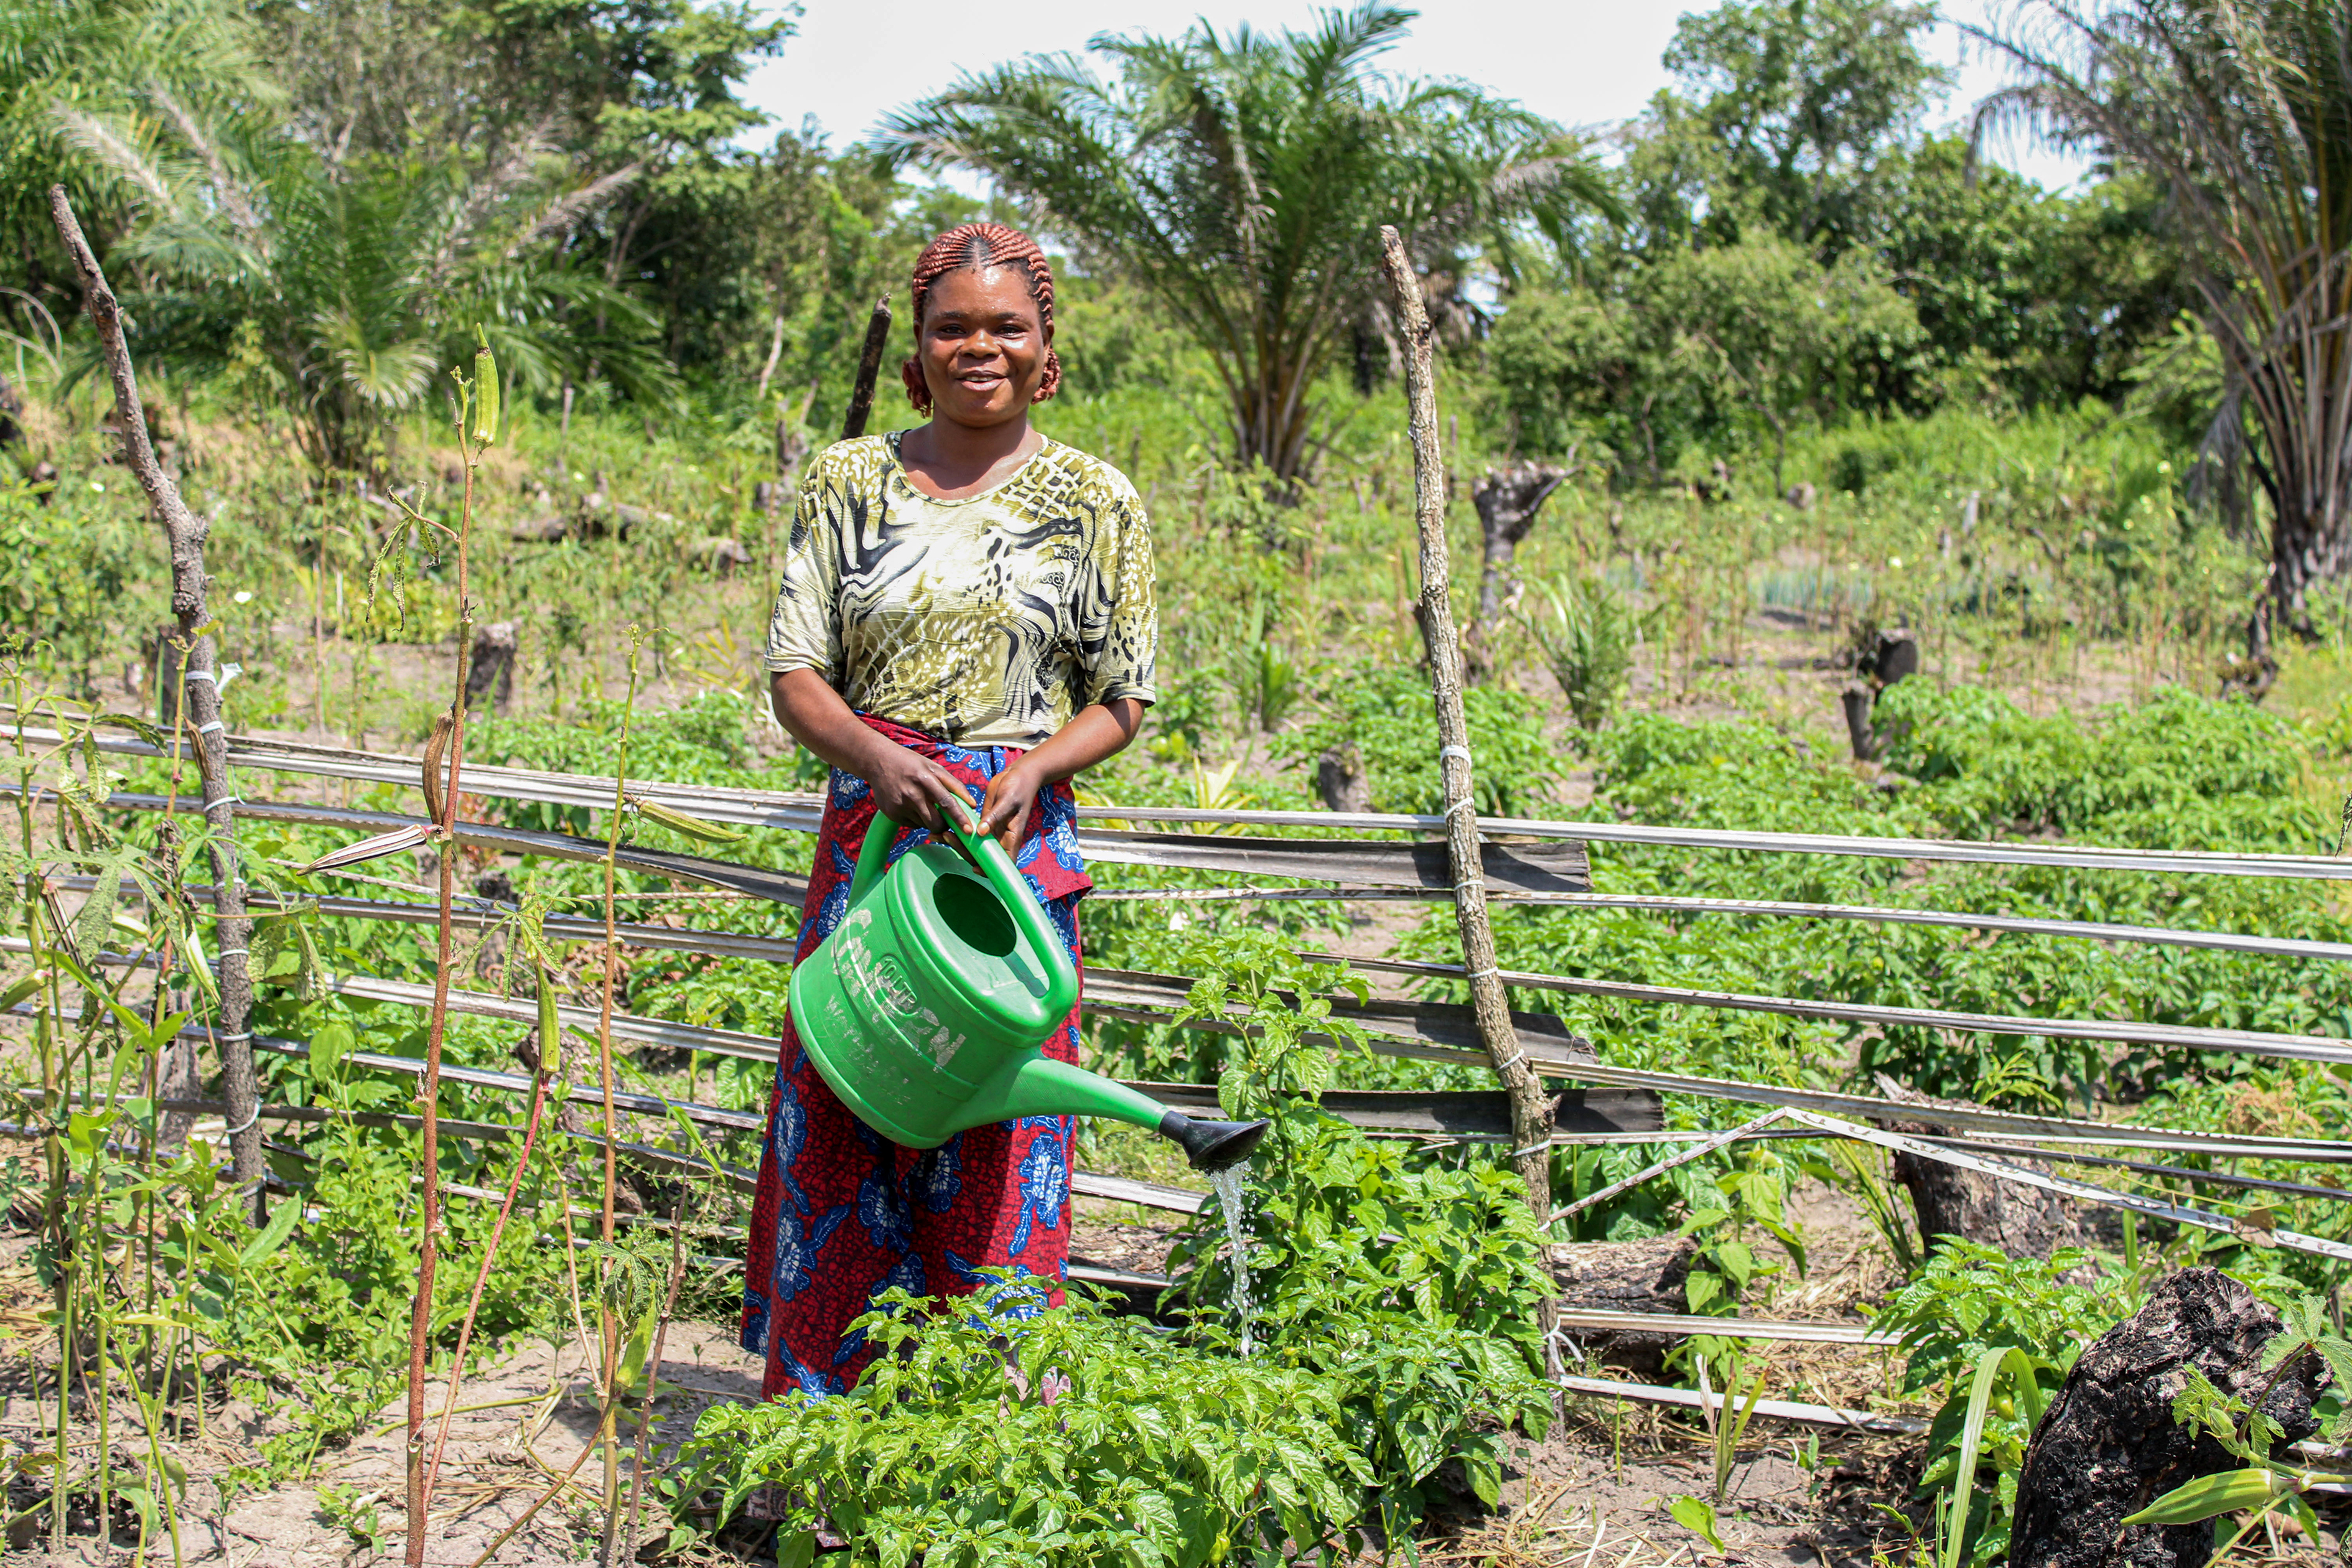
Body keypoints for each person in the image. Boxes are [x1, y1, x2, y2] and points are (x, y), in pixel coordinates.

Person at [739, 222, 1157, 1399]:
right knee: (847, 1095)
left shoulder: (1096, 499)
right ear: (919, 351)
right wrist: (877, 759)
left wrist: (1034, 768)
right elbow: (792, 672)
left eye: (1006, 327)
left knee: (999, 1126)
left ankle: (983, 1425)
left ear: (1045, 349)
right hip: (877, 834)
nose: (981, 347)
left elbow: (1126, 696)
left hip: (1013, 848)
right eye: (954, 328)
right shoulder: (849, 481)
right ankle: (822, 1430)